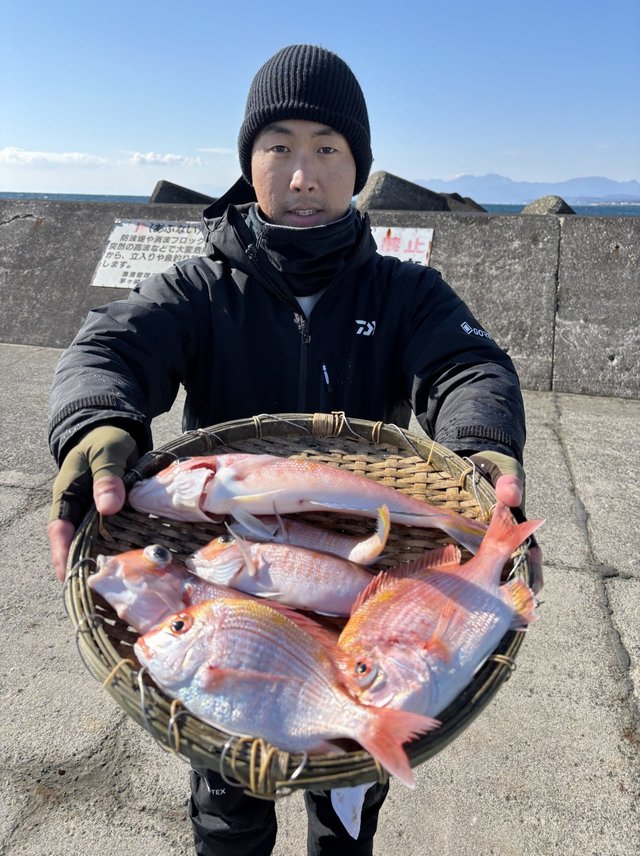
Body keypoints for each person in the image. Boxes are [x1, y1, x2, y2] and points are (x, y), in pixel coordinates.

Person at [48, 44, 542, 856]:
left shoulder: (405, 292)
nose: (303, 176)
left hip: (359, 612)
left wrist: (482, 444)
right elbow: (108, 349)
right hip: (235, 601)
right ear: (249, 163)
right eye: (278, 148)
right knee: (226, 810)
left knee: (347, 810)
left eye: (328, 149)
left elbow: (468, 367)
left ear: (359, 168)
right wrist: (99, 423)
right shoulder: (198, 289)